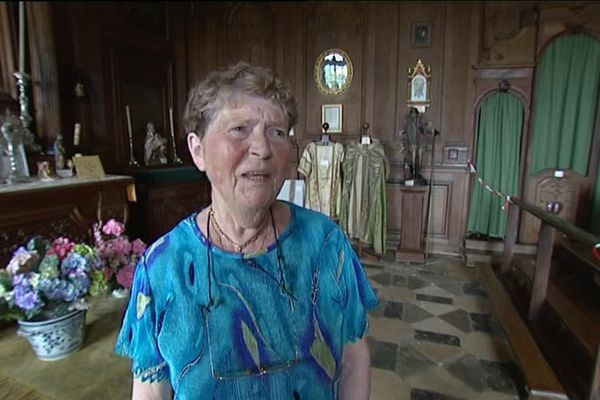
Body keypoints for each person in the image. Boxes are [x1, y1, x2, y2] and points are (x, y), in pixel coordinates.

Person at [115, 62, 378, 400]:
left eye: (277, 132)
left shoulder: (324, 242)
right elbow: (151, 391)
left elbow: (354, 360)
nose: (263, 149)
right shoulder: (163, 266)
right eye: (240, 129)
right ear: (198, 150)